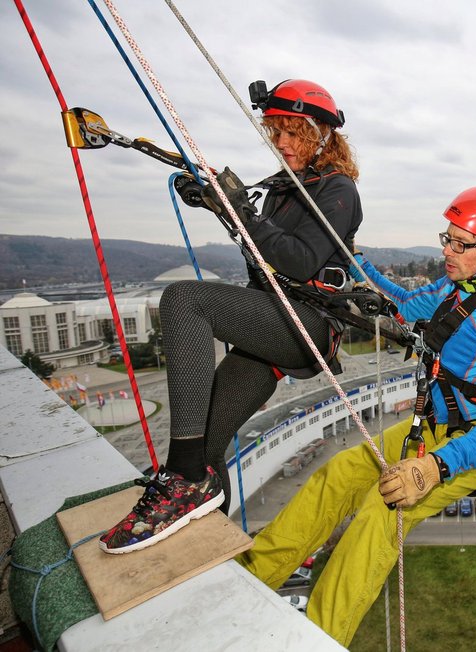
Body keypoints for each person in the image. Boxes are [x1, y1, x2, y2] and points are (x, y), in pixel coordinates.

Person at [238, 186, 476, 646]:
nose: (447, 250)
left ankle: (320, 638)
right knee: (339, 473)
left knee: (381, 514)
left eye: (461, 244)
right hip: (438, 428)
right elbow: (398, 301)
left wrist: (434, 467)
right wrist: (350, 256)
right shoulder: (450, 290)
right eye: (447, 238)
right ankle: (254, 574)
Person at [99, 79, 362, 554]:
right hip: (275, 325)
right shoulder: (283, 191)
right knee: (207, 445)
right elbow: (263, 249)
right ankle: (207, 547)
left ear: (322, 135)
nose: (280, 142)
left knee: (183, 299)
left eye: (291, 132)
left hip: (307, 322)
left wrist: (239, 206)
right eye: (274, 132)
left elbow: (300, 261)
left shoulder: (338, 191)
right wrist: (217, 204)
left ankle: (179, 479)